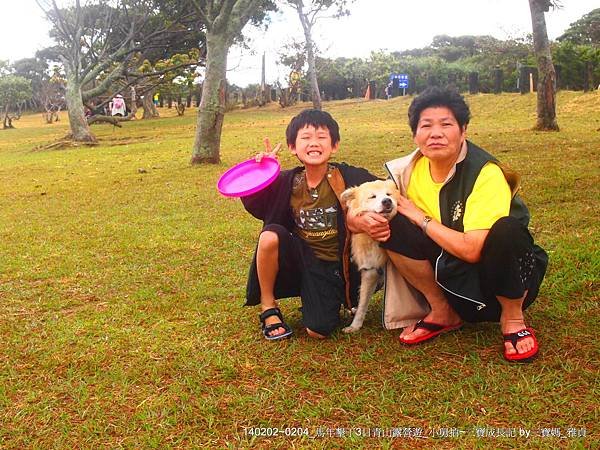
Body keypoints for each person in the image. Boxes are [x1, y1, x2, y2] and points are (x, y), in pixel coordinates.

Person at [351, 87, 548, 362]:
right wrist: (357, 219)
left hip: (502, 277)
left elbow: (472, 251)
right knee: (390, 222)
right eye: (426, 125)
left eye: (446, 124)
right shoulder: (406, 171)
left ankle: (513, 319)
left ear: (463, 130)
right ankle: (442, 310)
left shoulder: (485, 173)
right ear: (415, 134)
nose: (436, 133)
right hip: (451, 277)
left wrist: (421, 217)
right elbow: (365, 201)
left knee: (507, 230)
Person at [242, 109, 377, 340]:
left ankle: (321, 297)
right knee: (270, 235)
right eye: (305, 137)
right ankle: (268, 307)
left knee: (318, 329)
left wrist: (360, 218)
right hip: (298, 257)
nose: (314, 143)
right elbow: (256, 204)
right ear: (293, 147)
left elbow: (382, 190)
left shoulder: (349, 176)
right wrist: (263, 173)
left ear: (334, 145)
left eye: (322, 137)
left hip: (331, 266)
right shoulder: (287, 181)